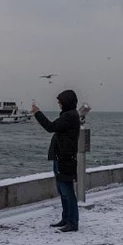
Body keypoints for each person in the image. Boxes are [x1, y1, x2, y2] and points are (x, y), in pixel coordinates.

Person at [31, 90, 81, 232]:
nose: (58, 104)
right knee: (62, 190)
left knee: (67, 191)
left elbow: (50, 127)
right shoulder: (69, 115)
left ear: (66, 102)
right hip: (62, 158)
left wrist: (37, 113)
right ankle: (66, 218)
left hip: (65, 159)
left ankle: (72, 222)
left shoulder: (69, 116)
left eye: (60, 101)